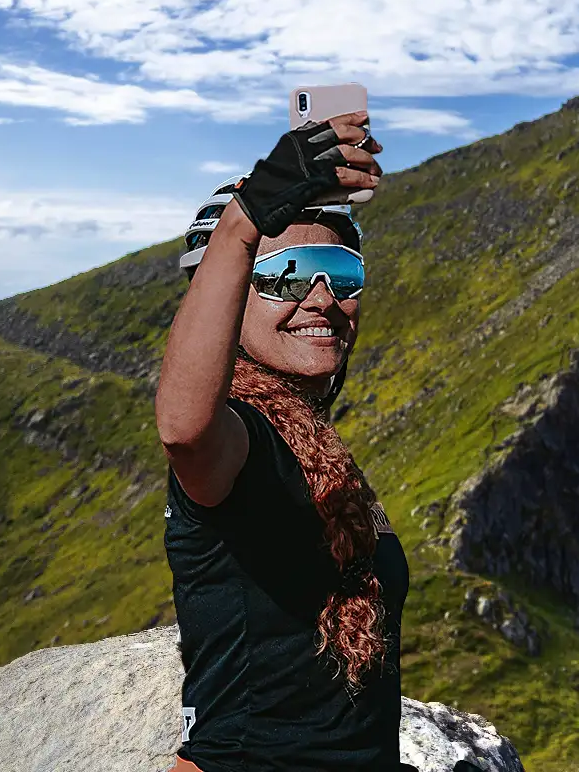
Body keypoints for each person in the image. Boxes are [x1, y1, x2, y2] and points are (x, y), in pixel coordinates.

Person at [156, 113, 485, 772]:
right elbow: (184, 429)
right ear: (225, 298)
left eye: (341, 271)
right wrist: (243, 221)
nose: (322, 297)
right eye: (286, 273)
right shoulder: (241, 437)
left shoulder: (311, 440)